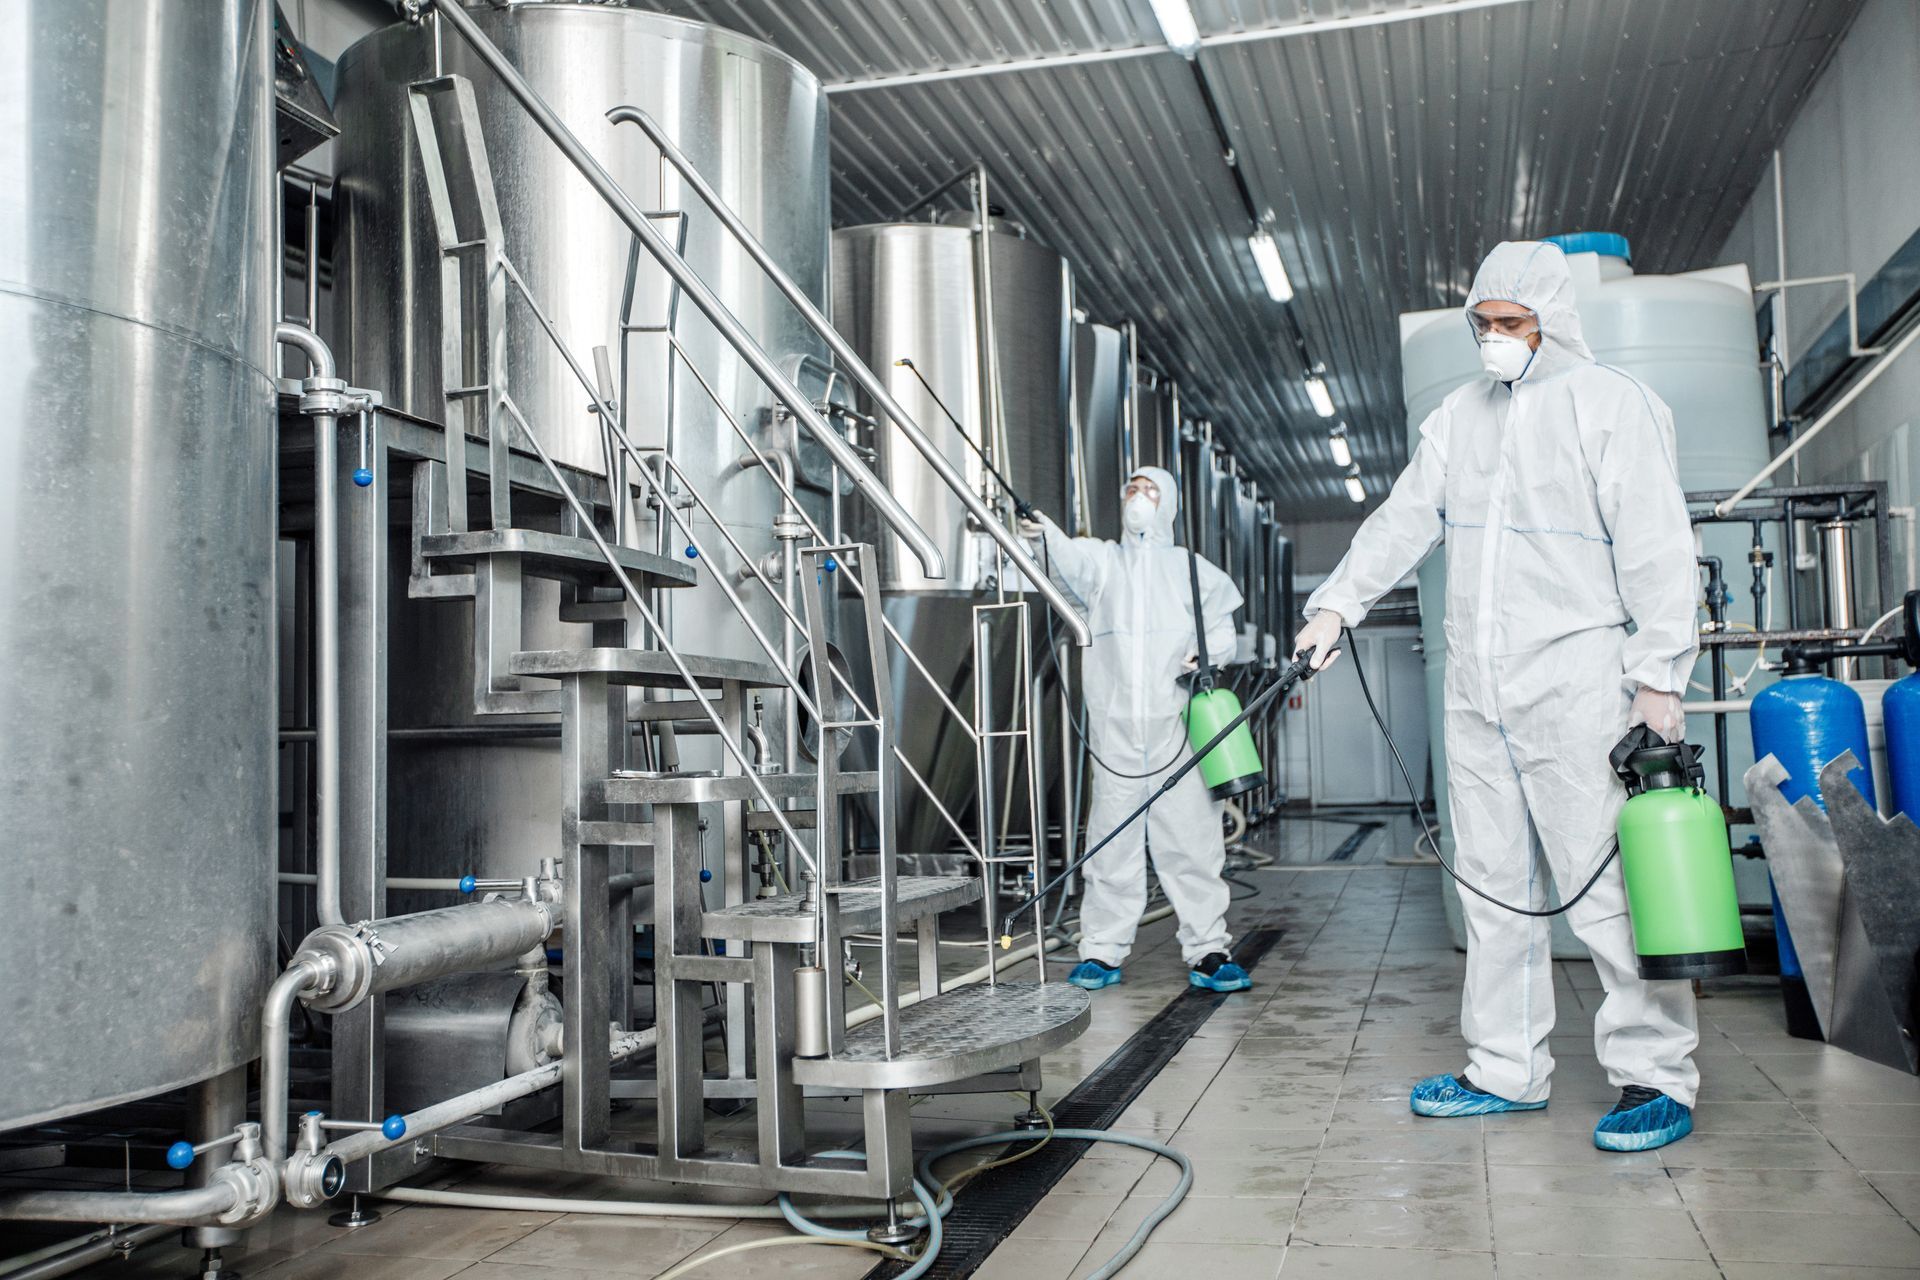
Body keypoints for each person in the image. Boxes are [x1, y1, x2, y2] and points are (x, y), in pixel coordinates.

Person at [1293, 240, 1702, 1153]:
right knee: (1492, 888)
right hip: (1479, 689)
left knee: (1608, 891)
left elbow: (1658, 548)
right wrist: (1335, 607)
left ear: (1551, 321)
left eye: (1511, 325)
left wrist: (1660, 678)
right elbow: (1405, 516)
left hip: (1580, 682)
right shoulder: (1458, 419)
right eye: (1482, 325)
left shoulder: (1612, 406)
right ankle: (1506, 1069)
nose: (1494, 341)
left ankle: (1653, 1074)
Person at [1020, 466, 1252, 993]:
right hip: (1116, 738)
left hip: (1181, 735)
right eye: (1131, 489)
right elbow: (1067, 562)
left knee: (1193, 846)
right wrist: (1045, 534)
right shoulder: (1104, 563)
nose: (1139, 499)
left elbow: (1223, 634)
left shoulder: (1193, 571)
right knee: (1111, 847)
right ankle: (1101, 950)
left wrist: (1205, 654)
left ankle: (1209, 949)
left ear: (1167, 504)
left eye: (1150, 491)